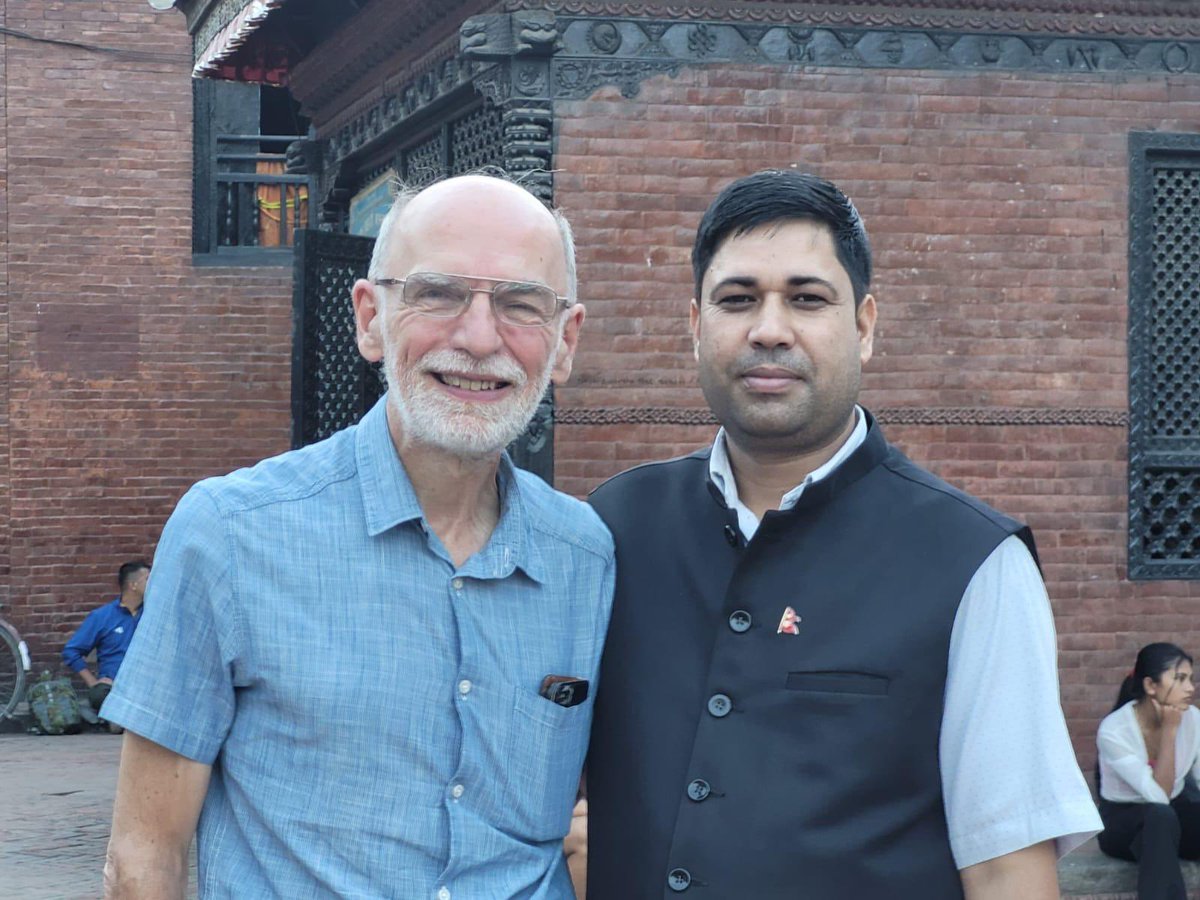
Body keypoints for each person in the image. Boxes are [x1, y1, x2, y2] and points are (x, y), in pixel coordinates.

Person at [584, 169, 1101, 899]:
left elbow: (1007, 870)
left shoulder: (973, 561)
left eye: (806, 298)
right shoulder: (613, 527)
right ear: (696, 325)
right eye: (737, 299)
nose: (769, 329)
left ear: (863, 326)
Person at [101, 173, 615, 899]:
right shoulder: (231, 535)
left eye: (521, 304)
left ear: (565, 342)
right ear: (370, 318)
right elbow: (143, 856)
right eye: (437, 294)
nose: (478, 337)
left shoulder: (587, 559)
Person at [1097, 642, 1200, 899]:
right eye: (1179, 679)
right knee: (1160, 817)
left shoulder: (1193, 719)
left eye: (1190, 679)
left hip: (1173, 815)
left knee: (1168, 820)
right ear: (1150, 685)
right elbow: (1159, 796)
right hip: (1123, 822)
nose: (1190, 688)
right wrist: (1169, 732)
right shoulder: (1114, 730)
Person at [62, 560, 150, 728]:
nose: (153, 584)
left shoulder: (152, 614)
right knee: (99, 694)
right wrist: (93, 682)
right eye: (147, 579)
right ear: (133, 585)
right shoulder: (102, 616)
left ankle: (124, 719)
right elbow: (71, 651)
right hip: (113, 687)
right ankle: (124, 718)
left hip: (146, 685)